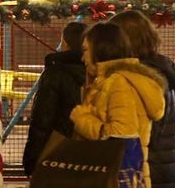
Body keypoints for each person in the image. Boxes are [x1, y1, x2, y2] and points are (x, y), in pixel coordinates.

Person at [70, 21, 167, 185]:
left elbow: (122, 135)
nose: (82, 57)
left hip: (114, 179)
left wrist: (82, 118)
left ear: (101, 49)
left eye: (86, 50)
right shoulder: (112, 80)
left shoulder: (118, 83)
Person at [111, 9, 175, 188]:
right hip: (169, 171)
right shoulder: (161, 71)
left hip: (148, 173)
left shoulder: (138, 77)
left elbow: (138, 133)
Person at [22, 21, 88, 175]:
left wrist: (32, 159)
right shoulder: (98, 72)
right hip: (90, 150)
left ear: (64, 43)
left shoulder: (55, 73)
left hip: (57, 150)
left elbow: (43, 119)